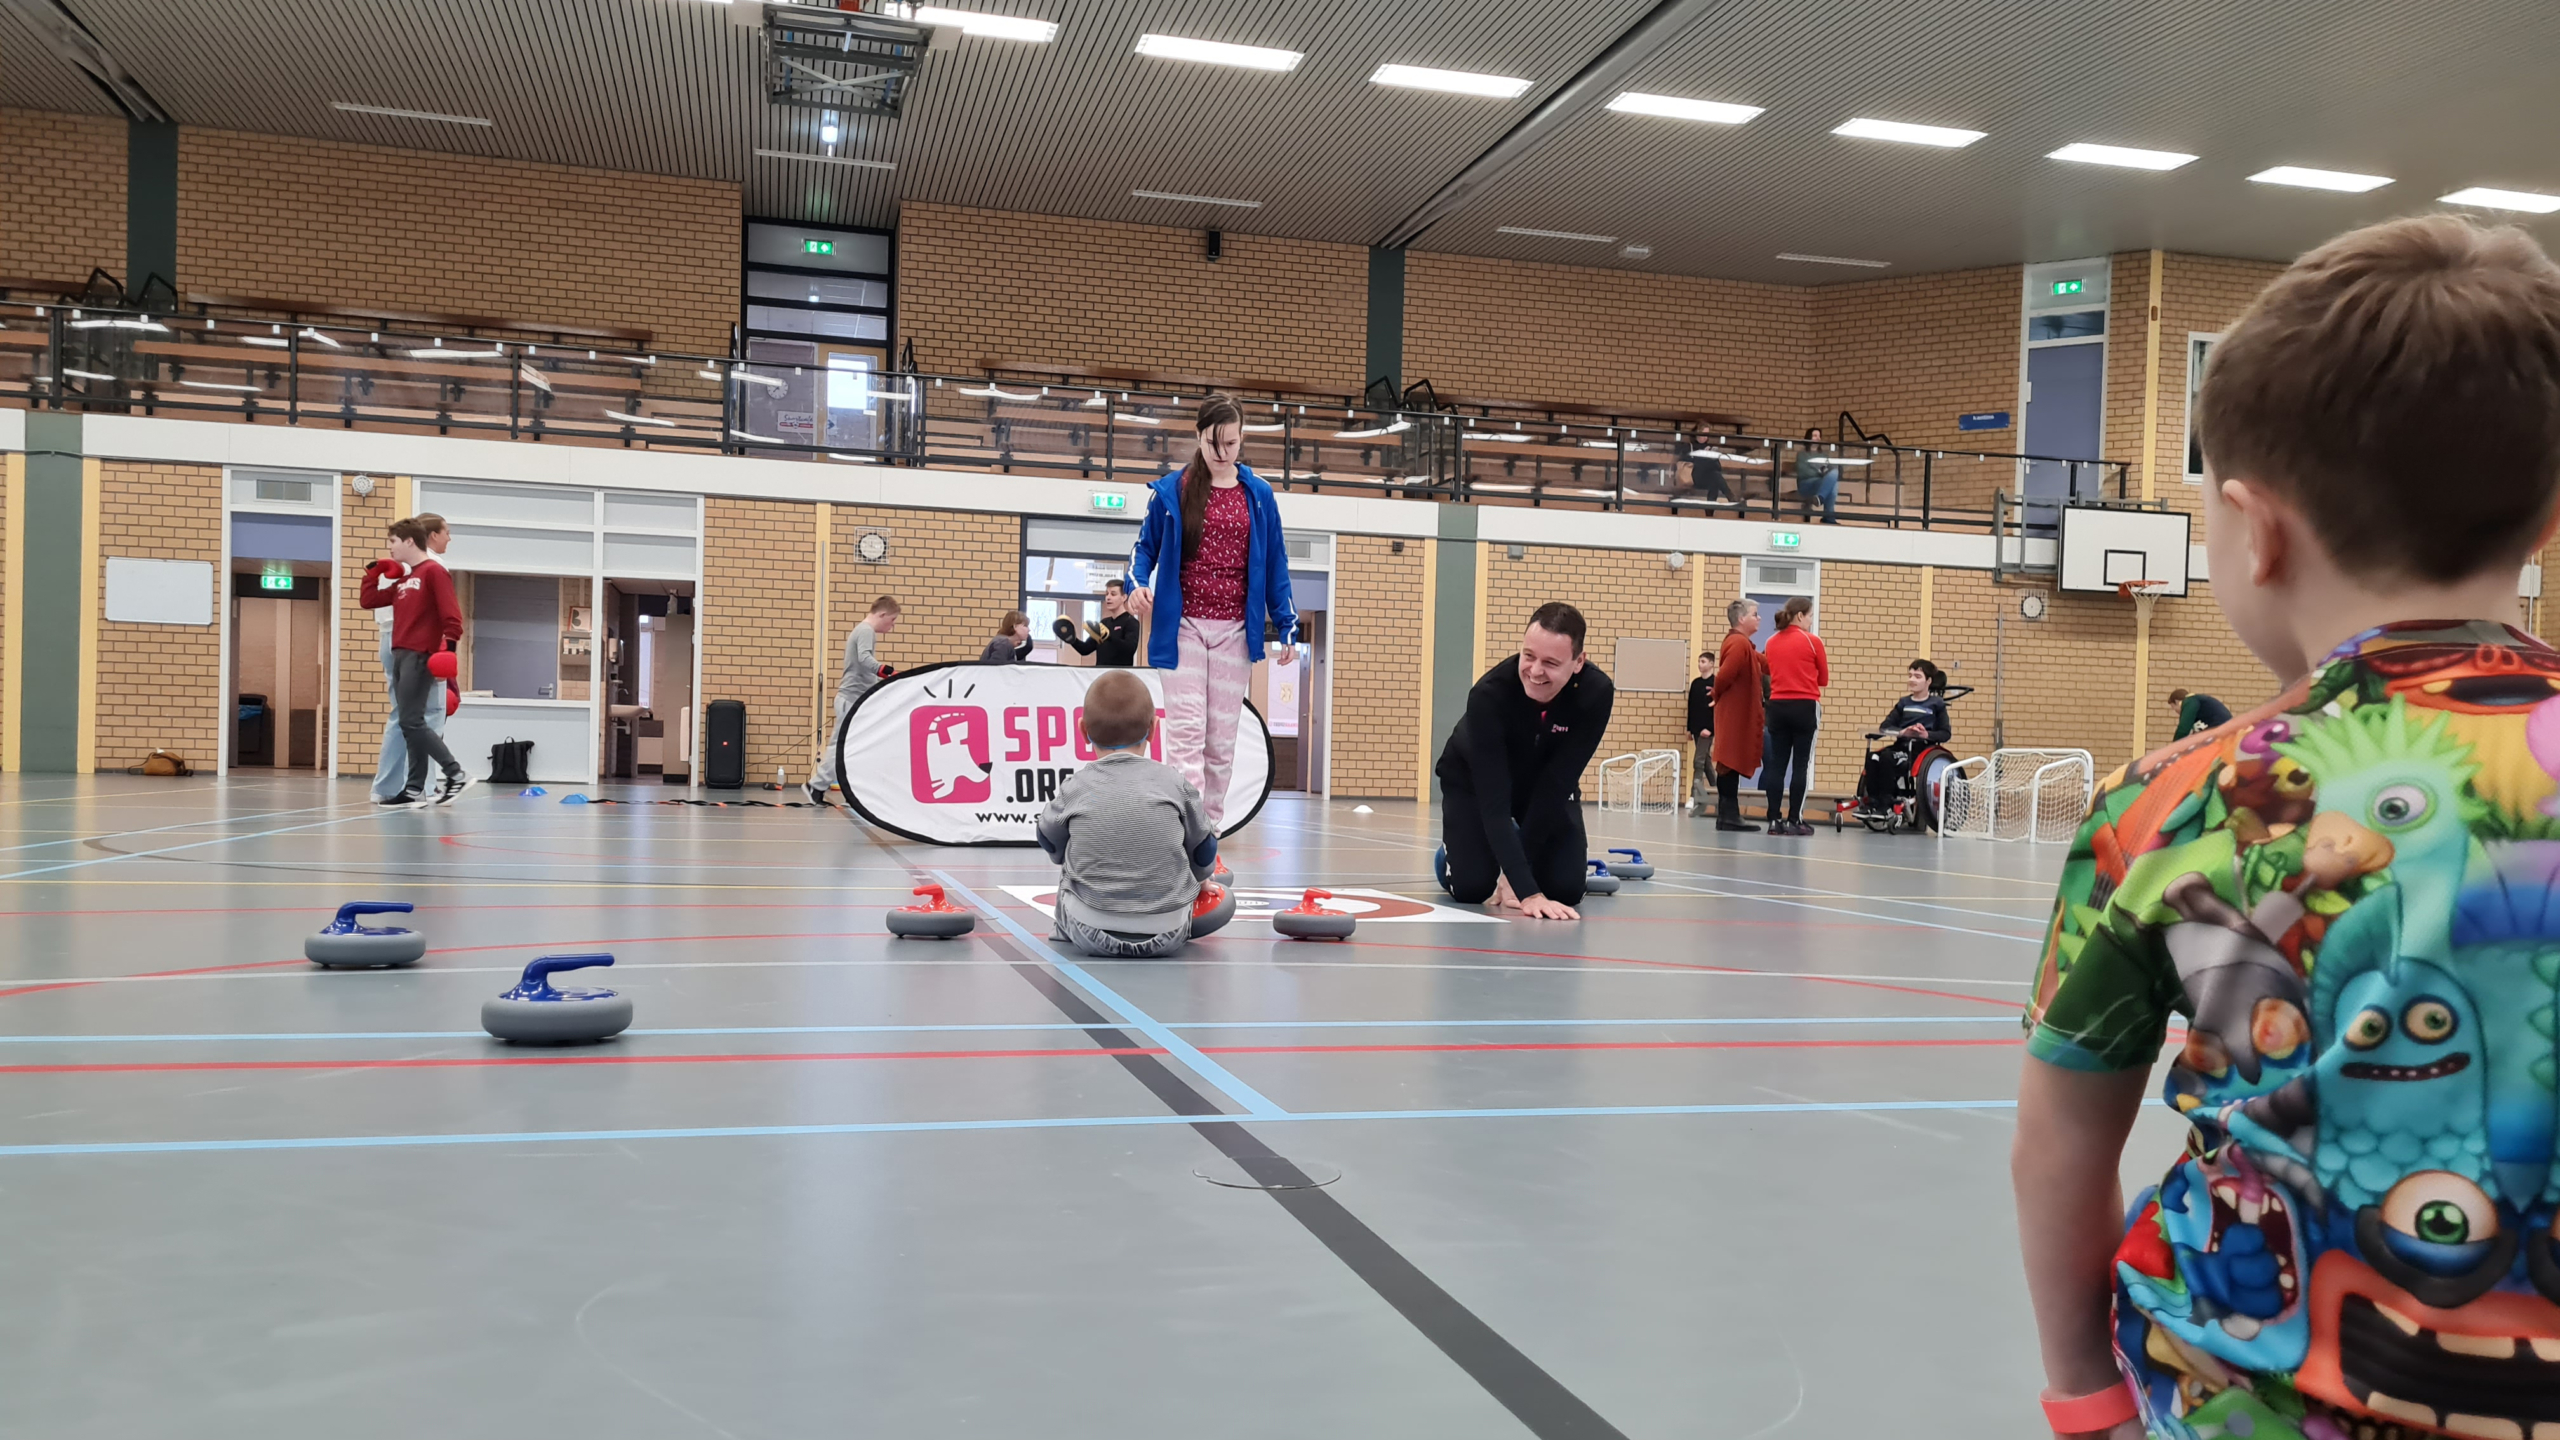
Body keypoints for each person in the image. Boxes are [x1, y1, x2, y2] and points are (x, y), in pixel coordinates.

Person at [2013, 215, 2560, 1440]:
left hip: (2245, 1396)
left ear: (2255, 529)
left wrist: (2083, 1394)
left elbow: (2059, 1135)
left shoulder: (2175, 798)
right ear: (2544, 522)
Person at [1126, 393, 1297, 828]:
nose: (1222, 454)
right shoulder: (1174, 489)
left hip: (1234, 633)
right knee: (1185, 736)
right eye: (1213, 443)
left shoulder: (1258, 495)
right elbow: (1143, 550)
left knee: (1220, 744)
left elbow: (1276, 564)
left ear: (1242, 442)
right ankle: (1185, 833)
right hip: (1182, 628)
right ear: (1198, 437)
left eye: (1232, 444)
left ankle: (1209, 834)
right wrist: (1136, 585)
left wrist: (1288, 626)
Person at [1434, 603, 1615, 920]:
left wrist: (1514, 877)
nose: (1534, 671)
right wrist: (1527, 891)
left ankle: (1511, 856)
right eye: (1528, 656)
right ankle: (1450, 854)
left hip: (1543, 780)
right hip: (1474, 783)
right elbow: (1494, 804)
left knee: (1567, 890)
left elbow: (1556, 784)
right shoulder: (1489, 696)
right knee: (1472, 888)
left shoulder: (1595, 692)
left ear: (1578, 662)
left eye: (1551, 662)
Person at [1036, 670, 1221, 958]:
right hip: (1168, 934)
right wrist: (1203, 879)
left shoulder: (1075, 786)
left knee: (1068, 865)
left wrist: (1061, 854)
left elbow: (1046, 837)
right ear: (1154, 728)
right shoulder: (1174, 783)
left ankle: (1062, 930)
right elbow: (1204, 849)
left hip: (1088, 932)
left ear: (1082, 730)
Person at [358, 517, 469, 807]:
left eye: (393, 542)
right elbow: (369, 601)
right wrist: (375, 572)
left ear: (409, 541)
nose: (389, 548)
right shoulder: (405, 580)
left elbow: (451, 615)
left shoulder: (433, 571)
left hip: (421, 655)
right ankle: (414, 789)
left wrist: (450, 650)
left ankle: (455, 773)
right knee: (410, 723)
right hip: (400, 653)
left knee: (411, 721)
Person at [805, 595, 900, 806]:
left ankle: (852, 788)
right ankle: (817, 785)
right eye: (892, 620)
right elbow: (866, 659)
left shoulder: (862, 630)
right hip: (851, 699)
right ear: (882, 614)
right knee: (840, 747)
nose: (892, 626)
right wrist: (887, 672)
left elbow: (863, 668)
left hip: (856, 699)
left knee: (854, 746)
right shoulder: (866, 631)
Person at [1760, 596, 1827, 834]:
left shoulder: (1771, 641)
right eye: (1810, 616)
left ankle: (1773, 820)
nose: (1811, 621)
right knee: (1801, 765)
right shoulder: (1812, 641)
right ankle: (1795, 819)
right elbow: (1823, 679)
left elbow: (1767, 670)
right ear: (1800, 616)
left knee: (1777, 765)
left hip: (1777, 706)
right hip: (1804, 705)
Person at [1858, 658, 1951, 805]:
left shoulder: (1936, 705)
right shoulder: (1904, 703)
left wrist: (1926, 734)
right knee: (1873, 757)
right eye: (1910, 675)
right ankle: (1873, 800)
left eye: (1917, 676)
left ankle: (1885, 801)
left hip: (1920, 750)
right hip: (1901, 746)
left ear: (1928, 681)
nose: (1912, 679)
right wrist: (1903, 731)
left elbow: (1945, 733)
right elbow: (1886, 726)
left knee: (1888, 758)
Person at [1709, 598, 1767, 831]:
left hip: (1735, 712)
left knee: (1729, 762)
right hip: (1734, 714)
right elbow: (1725, 674)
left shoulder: (1743, 644)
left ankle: (1727, 815)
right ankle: (1729, 815)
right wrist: (1716, 692)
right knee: (1729, 762)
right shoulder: (1739, 644)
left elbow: (1766, 664)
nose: (1759, 618)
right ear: (1742, 619)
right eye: (1755, 614)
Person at [1055, 579, 1141, 666]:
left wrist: (1108, 637)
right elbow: (1085, 649)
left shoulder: (1131, 622)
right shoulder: (1104, 623)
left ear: (1124, 597)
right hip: (1101, 674)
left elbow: (1129, 650)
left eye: (1113, 594)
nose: (1108, 597)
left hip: (1120, 675)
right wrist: (1072, 639)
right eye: (1107, 594)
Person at [1685, 646, 1714, 812]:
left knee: (1698, 762)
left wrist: (1710, 728)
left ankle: (1694, 796)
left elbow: (1717, 710)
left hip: (1707, 731)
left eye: (1703, 661)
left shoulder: (1715, 683)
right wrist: (1689, 729)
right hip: (1697, 730)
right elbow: (1691, 707)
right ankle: (1720, 792)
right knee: (1706, 762)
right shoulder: (1696, 684)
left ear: (1711, 664)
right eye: (1699, 661)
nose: (1700, 664)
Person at [1793, 427, 1841, 525]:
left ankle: (1820, 497)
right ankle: (1828, 517)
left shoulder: (1824, 455)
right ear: (1809, 437)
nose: (1818, 438)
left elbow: (1829, 470)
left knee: (1835, 473)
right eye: (1815, 435)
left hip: (1821, 484)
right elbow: (1804, 472)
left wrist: (1820, 471)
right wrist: (1820, 472)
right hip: (1806, 485)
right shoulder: (1802, 454)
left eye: (1819, 436)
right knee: (1832, 484)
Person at [2164, 686, 2232, 740]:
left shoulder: (2190, 701)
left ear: (2177, 702)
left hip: (2221, 731)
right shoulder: (2198, 703)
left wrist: (2173, 748)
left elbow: (2183, 730)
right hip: (2227, 731)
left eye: (2173, 707)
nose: (2176, 711)